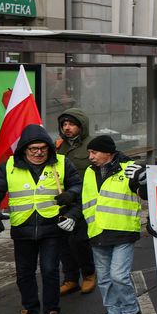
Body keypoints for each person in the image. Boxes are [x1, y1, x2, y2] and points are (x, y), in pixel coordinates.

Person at [0, 124, 82, 314]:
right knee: (24, 274)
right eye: (33, 149)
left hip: (52, 228)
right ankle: (29, 313)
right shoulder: (9, 166)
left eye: (42, 148)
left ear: (48, 148)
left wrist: (70, 195)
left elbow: (79, 185)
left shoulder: (62, 163)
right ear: (24, 150)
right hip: (23, 229)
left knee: (49, 271)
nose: (38, 153)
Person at [82, 135, 145, 314]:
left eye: (94, 152)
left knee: (119, 276)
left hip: (122, 230)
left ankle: (131, 312)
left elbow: (144, 193)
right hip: (97, 230)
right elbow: (87, 200)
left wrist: (143, 179)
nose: (90, 156)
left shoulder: (129, 169)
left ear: (108, 153)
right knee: (104, 278)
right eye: (89, 153)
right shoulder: (89, 172)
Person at [55, 109, 96, 297]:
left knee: (80, 241)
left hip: (84, 200)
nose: (67, 128)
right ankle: (70, 278)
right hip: (63, 200)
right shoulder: (58, 147)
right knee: (63, 242)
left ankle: (88, 274)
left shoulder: (91, 145)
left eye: (71, 124)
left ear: (81, 125)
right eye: (64, 124)